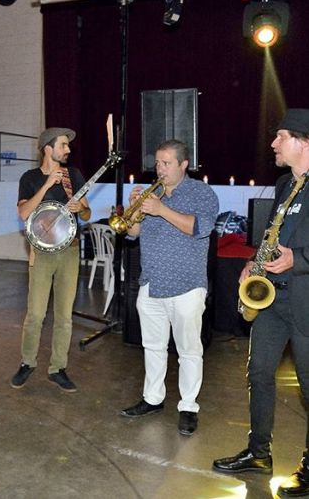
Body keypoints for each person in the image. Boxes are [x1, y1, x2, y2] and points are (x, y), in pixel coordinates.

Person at [213, 109, 309, 498]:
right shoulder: (286, 184)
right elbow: (273, 233)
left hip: (305, 299)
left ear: (303, 141)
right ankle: (258, 453)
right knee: (259, 373)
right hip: (272, 296)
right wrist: (254, 262)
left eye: (281, 136)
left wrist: (299, 259)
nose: (273, 143)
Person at [120, 139, 218, 435]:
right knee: (152, 347)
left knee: (189, 350)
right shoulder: (153, 194)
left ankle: (188, 406)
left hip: (187, 285)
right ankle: (152, 398)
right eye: (157, 163)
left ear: (183, 164)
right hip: (151, 282)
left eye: (166, 163)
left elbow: (199, 228)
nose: (159, 169)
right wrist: (133, 211)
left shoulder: (201, 193)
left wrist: (161, 209)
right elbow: (132, 233)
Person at [10, 127, 90, 393]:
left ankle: (58, 368)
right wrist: (46, 185)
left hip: (70, 250)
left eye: (68, 145)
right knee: (36, 314)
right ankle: (27, 362)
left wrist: (81, 208)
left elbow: (87, 214)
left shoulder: (73, 175)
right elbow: (23, 213)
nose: (68, 149)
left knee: (64, 316)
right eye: (63, 145)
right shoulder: (30, 177)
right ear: (48, 148)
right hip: (42, 251)